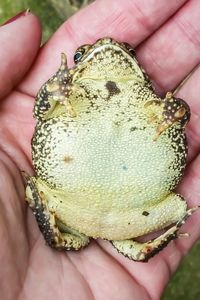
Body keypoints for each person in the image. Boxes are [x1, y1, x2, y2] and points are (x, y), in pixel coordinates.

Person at [0, 1, 200, 299]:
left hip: (130, 210)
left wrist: (174, 112)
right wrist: (57, 89)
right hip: (71, 204)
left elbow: (178, 116)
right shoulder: (71, 89)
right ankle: (63, 236)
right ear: (78, 63)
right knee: (140, 241)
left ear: (137, 65)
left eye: (128, 52)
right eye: (80, 53)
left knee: (150, 235)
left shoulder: (146, 99)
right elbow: (42, 110)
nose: (107, 46)